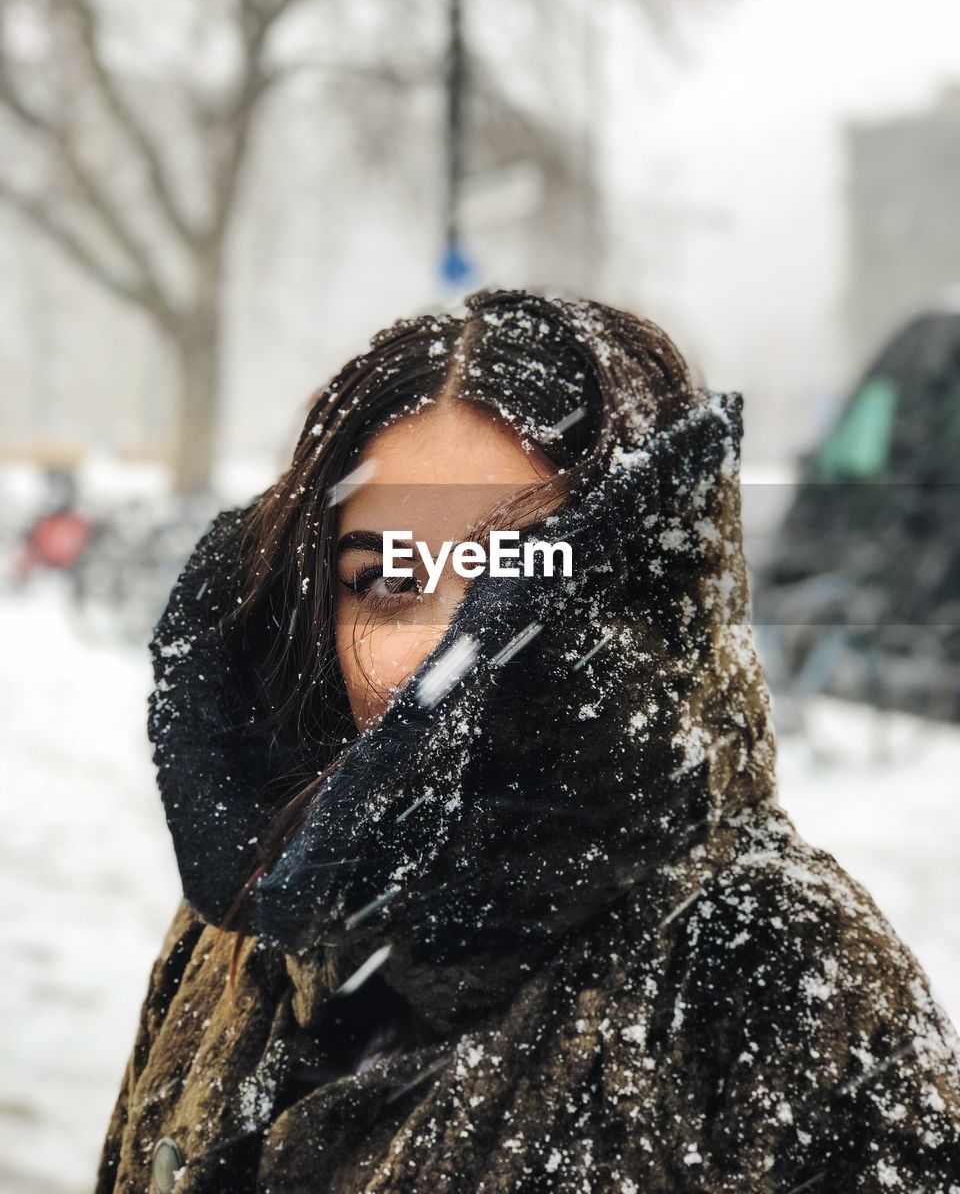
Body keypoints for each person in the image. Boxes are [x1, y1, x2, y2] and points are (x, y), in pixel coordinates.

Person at [95, 287, 960, 1193]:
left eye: (513, 576)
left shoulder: (775, 974)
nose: (440, 649)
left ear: (642, 603)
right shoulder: (242, 932)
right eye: (385, 581)